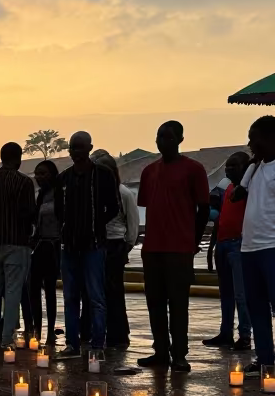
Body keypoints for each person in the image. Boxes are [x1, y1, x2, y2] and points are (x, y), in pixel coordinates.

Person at [137, 120, 210, 372]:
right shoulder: (149, 171)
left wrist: (194, 240)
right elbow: (147, 206)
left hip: (179, 247)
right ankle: (160, 350)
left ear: (180, 139)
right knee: (154, 302)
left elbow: (203, 209)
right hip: (153, 247)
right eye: (159, 136)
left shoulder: (194, 169)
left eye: (167, 137)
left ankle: (179, 352)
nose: (162, 141)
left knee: (178, 303)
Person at [54, 133, 119, 356]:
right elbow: (58, 211)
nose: (76, 152)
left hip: (93, 245)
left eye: (80, 148)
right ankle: (72, 344)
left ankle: (97, 345)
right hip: (70, 246)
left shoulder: (102, 175)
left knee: (95, 297)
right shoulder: (63, 179)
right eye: (72, 148)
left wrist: (96, 224)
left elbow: (113, 207)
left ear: (90, 148)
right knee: (70, 297)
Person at [0, 142, 37, 347]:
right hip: (16, 242)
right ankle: (6, 338)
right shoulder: (24, 182)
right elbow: (29, 213)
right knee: (13, 290)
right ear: (18, 158)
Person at [203, 150, 252, 350]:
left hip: (238, 245)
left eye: (234, 166)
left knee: (241, 294)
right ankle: (225, 333)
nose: (228, 169)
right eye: (228, 166)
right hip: (223, 244)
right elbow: (220, 221)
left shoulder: (248, 191)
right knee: (226, 294)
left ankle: (245, 335)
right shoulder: (229, 190)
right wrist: (211, 249)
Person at [238, 117, 275, 374]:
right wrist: (249, 168)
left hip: (272, 246)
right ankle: (265, 360)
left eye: (255, 138)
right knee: (256, 306)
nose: (251, 143)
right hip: (249, 248)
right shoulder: (255, 168)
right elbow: (237, 196)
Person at [94, 151, 140, 349]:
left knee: (113, 292)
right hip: (97, 245)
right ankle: (99, 331)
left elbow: (133, 225)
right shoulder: (95, 192)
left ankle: (118, 334)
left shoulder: (123, 193)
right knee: (96, 292)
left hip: (115, 245)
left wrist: (126, 246)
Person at [28, 162, 61, 343]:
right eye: (37, 174)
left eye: (43, 173)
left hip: (54, 246)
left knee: (50, 289)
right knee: (33, 287)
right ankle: (36, 328)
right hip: (40, 246)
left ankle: (50, 332)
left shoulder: (59, 194)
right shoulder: (39, 196)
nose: (39, 177)